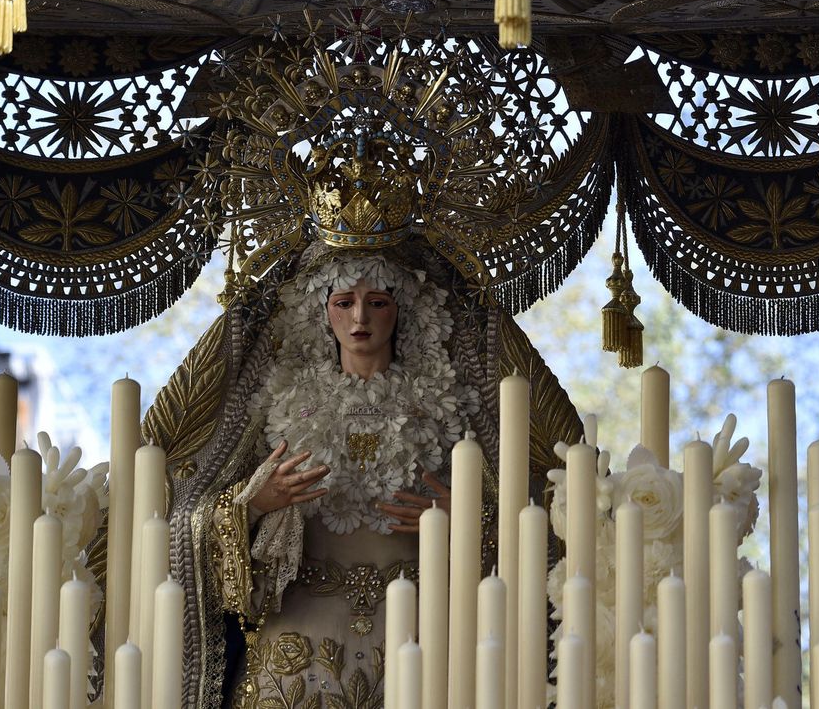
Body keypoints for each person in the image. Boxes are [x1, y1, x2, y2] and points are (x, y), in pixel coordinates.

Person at [145, 241, 580, 708]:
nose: (360, 318)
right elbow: (184, 514)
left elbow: (540, 514)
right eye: (343, 303)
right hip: (295, 646)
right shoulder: (276, 405)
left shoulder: (453, 408)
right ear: (322, 311)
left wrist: (474, 520)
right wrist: (253, 505)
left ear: (402, 309)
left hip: (422, 639)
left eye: (377, 302)